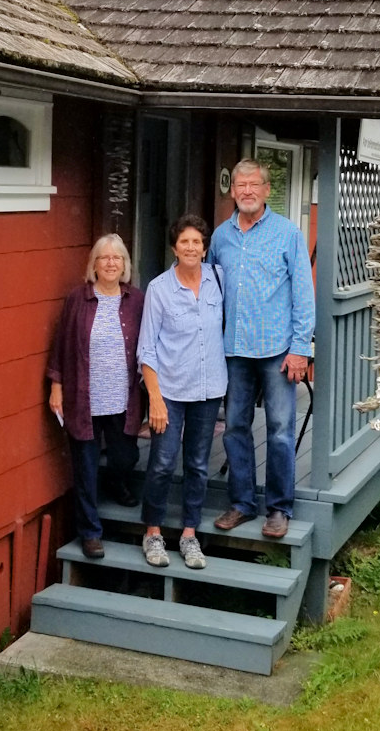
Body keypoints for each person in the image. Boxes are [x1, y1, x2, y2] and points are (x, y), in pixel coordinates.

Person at [208, 159, 315, 539]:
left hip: (276, 350)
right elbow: (210, 293)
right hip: (234, 350)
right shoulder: (220, 238)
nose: (247, 191)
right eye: (241, 185)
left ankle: (278, 509)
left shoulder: (288, 234)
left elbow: (303, 294)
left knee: (281, 430)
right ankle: (241, 504)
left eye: (254, 184)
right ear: (233, 191)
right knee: (235, 428)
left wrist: (300, 349)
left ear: (267, 189)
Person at [137, 215, 227, 569]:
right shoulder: (159, 289)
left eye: (197, 242)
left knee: (198, 464)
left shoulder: (218, 280)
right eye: (184, 242)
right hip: (170, 391)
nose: (191, 247)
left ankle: (190, 534)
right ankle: (153, 532)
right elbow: (147, 349)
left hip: (209, 389)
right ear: (174, 247)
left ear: (205, 248)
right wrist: (154, 399)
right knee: (161, 462)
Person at [47, 234, 144, 560]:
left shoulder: (136, 301)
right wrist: (56, 385)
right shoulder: (78, 299)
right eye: (104, 258)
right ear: (94, 264)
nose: (111, 263)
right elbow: (61, 344)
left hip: (123, 397)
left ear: (125, 265)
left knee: (124, 456)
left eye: (117, 258)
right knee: (85, 468)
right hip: (84, 398)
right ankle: (90, 532)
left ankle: (117, 483)